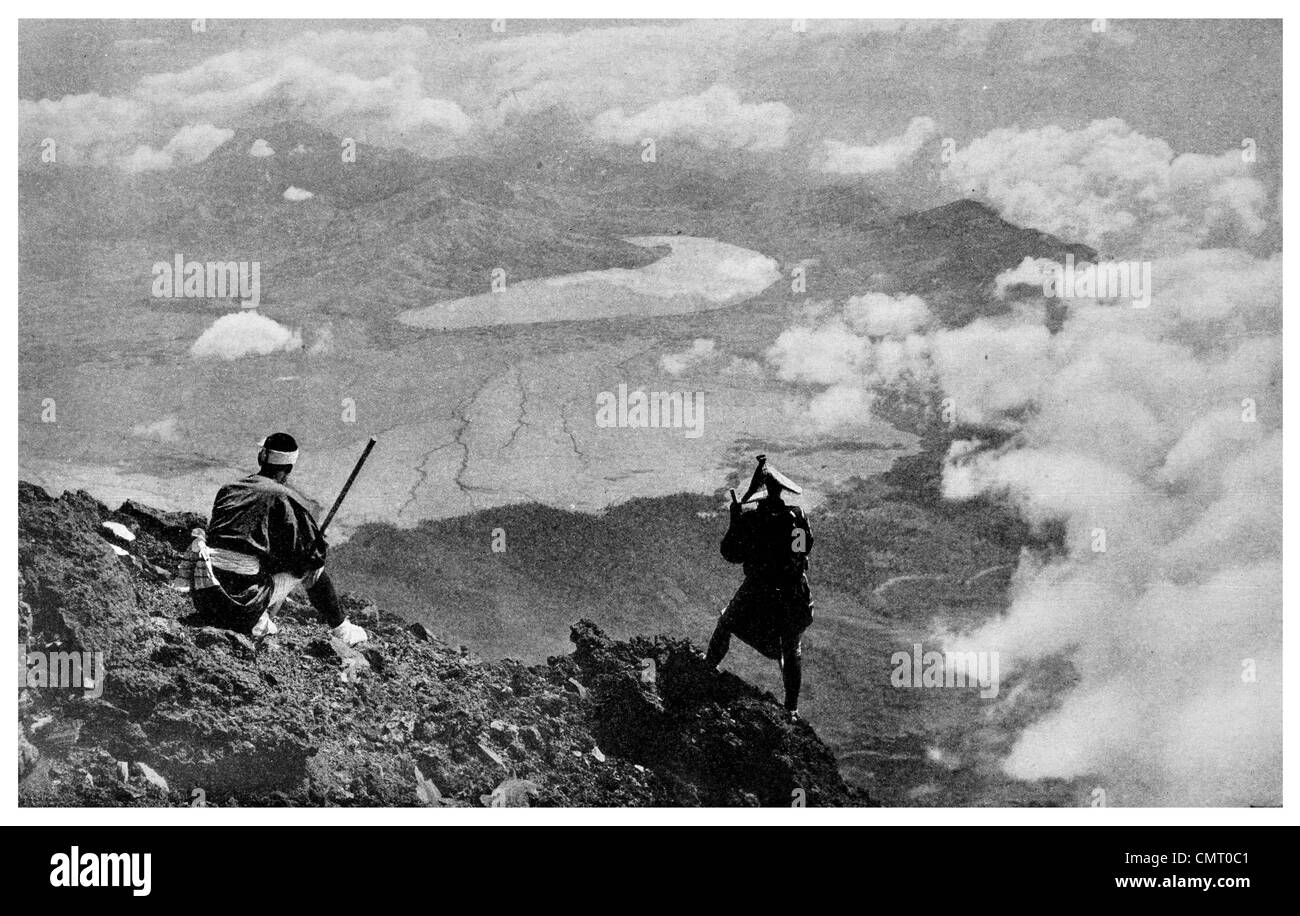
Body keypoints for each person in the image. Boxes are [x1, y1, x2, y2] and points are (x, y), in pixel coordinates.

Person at [175, 433, 368, 646]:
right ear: (289, 468)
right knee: (312, 569)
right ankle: (343, 631)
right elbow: (311, 556)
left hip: (205, 599)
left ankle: (257, 618)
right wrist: (314, 542)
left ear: (261, 458)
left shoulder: (228, 489)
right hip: (238, 606)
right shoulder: (282, 497)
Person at [706, 455, 814, 722]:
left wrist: (735, 521)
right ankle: (791, 708)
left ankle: (708, 666)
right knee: (791, 646)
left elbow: (731, 553)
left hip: (760, 589)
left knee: (727, 620)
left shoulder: (752, 519)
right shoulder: (796, 517)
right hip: (793, 591)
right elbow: (802, 551)